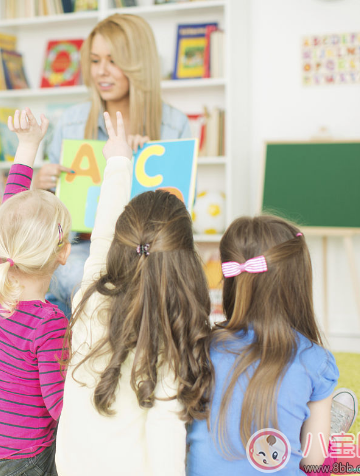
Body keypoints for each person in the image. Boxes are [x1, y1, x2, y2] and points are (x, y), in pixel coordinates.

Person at [56, 111, 213, 475]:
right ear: (186, 262)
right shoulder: (173, 334)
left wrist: (118, 161)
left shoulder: (89, 294)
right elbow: (166, 431)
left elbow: (102, 235)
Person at [34, 14, 192, 318]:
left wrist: (148, 159)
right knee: (80, 275)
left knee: (147, 282)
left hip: (151, 250)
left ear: (138, 65)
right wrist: (41, 186)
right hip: (83, 248)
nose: (101, 72)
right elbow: (53, 223)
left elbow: (182, 218)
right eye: (94, 61)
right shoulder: (72, 122)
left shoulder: (174, 124)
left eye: (113, 61)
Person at [186, 216, 342, 474]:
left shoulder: (199, 348)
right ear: (298, 283)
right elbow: (312, 462)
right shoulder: (316, 361)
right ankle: (329, 426)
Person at [0, 109, 70, 476]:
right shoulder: (49, 322)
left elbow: (12, 206)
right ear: (64, 253)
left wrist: (28, 145)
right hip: (23, 456)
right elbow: (58, 408)